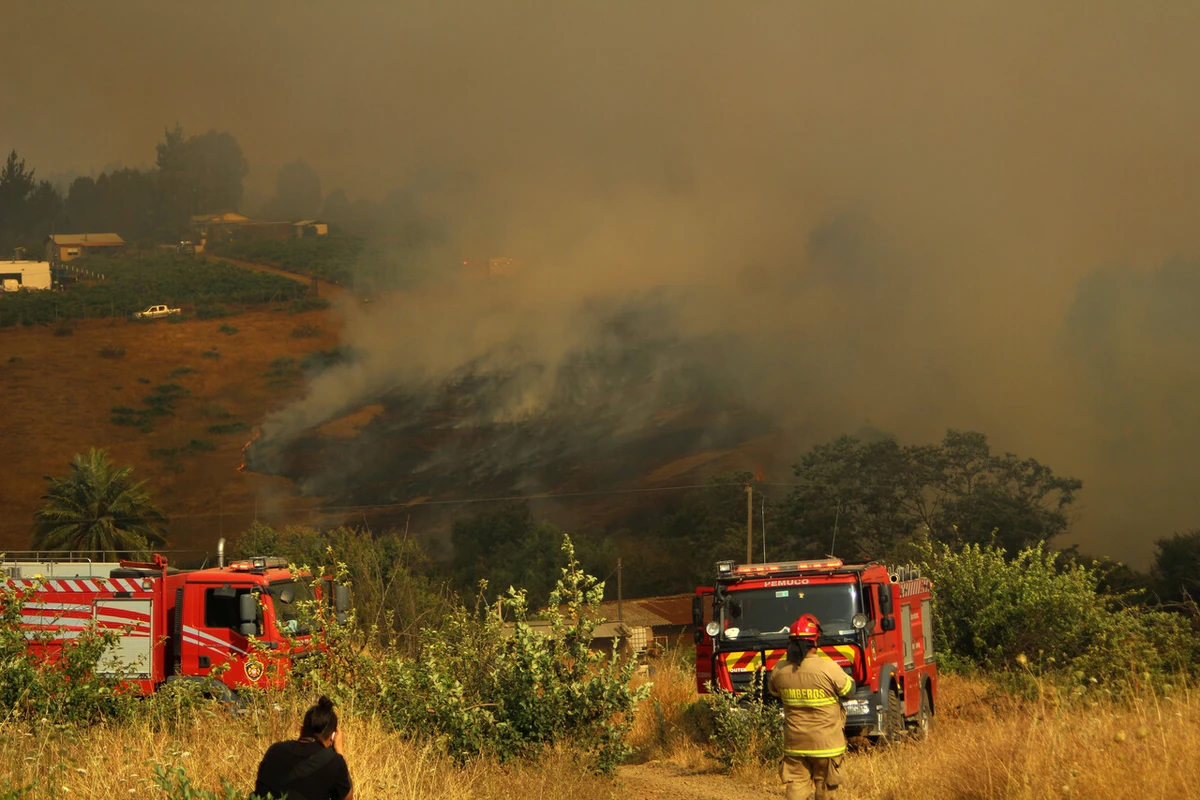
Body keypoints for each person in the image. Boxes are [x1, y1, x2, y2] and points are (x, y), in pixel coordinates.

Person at [768, 614, 855, 800]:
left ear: (790, 643)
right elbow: (850, 690)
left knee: (796, 788)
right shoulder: (828, 668)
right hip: (827, 745)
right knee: (826, 787)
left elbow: (774, 692)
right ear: (815, 642)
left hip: (795, 745)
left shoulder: (780, 670)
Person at [255, 696, 353, 800]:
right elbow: (347, 798)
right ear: (332, 737)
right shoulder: (334, 761)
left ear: (301, 730)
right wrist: (340, 752)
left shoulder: (274, 750)